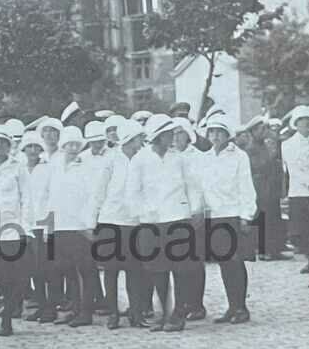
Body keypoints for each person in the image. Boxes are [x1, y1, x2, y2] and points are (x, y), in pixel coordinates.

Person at [130, 116, 202, 331]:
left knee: (181, 270)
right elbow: (132, 192)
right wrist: (144, 213)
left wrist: (195, 211)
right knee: (157, 270)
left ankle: (179, 314)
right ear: (158, 136)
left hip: (178, 219)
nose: (172, 137)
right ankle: (164, 313)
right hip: (151, 223)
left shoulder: (179, 159)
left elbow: (193, 186)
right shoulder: (140, 160)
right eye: (168, 133)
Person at [199, 115, 258, 323]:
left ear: (227, 134)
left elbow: (246, 187)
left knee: (236, 261)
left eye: (219, 132)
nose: (215, 136)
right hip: (215, 217)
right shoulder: (205, 158)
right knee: (224, 263)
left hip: (233, 214)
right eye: (211, 132)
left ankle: (241, 307)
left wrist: (246, 215)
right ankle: (232, 307)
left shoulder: (239, 156)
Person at [91, 120, 148, 329]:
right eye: (138, 139)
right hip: (110, 220)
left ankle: (136, 312)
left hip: (134, 222)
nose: (141, 142)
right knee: (111, 269)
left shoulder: (144, 159)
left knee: (135, 270)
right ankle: (113, 313)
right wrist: (93, 221)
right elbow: (99, 191)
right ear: (130, 140)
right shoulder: (111, 160)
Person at [43, 126, 99, 327]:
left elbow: (93, 197)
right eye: (69, 144)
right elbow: (49, 195)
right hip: (60, 225)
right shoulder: (54, 164)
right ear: (63, 145)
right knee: (67, 270)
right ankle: (74, 309)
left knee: (85, 270)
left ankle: (86, 312)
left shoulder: (86, 166)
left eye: (77, 144)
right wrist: (49, 224)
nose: (73, 148)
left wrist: (88, 224)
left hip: (79, 227)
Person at [0, 124, 30, 338]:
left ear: (9, 145)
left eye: (3, 142)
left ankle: (7, 318)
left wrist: (24, 228)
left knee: (12, 277)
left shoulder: (17, 167)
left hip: (12, 229)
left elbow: (27, 198)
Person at [281, 106, 309, 286]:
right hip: (298, 193)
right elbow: (291, 169)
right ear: (296, 124)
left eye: (308, 122)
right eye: (301, 122)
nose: (305, 125)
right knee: (298, 234)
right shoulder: (288, 145)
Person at [173, 118, 209, 320]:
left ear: (188, 135)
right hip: (174, 215)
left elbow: (202, 187)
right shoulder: (169, 157)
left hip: (194, 214)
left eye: (180, 133)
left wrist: (199, 211)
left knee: (195, 261)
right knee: (178, 261)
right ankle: (182, 302)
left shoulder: (199, 157)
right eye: (174, 134)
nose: (176, 137)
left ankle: (197, 304)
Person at [19, 133, 55, 324]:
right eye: (29, 147)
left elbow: (52, 197)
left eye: (36, 147)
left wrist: (49, 224)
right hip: (26, 225)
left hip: (43, 224)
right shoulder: (20, 169)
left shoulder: (47, 169)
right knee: (34, 270)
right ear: (23, 149)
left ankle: (50, 308)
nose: (33, 150)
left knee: (47, 268)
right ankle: (40, 305)